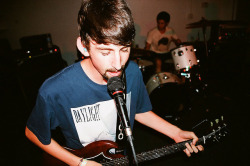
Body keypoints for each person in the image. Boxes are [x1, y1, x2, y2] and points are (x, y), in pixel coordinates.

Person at [25, 0, 203, 166]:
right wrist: (79, 163)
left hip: (119, 157)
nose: (118, 64)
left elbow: (138, 111)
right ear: (83, 46)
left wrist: (176, 133)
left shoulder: (131, 72)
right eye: (105, 52)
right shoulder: (56, 89)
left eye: (124, 49)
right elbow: (33, 133)